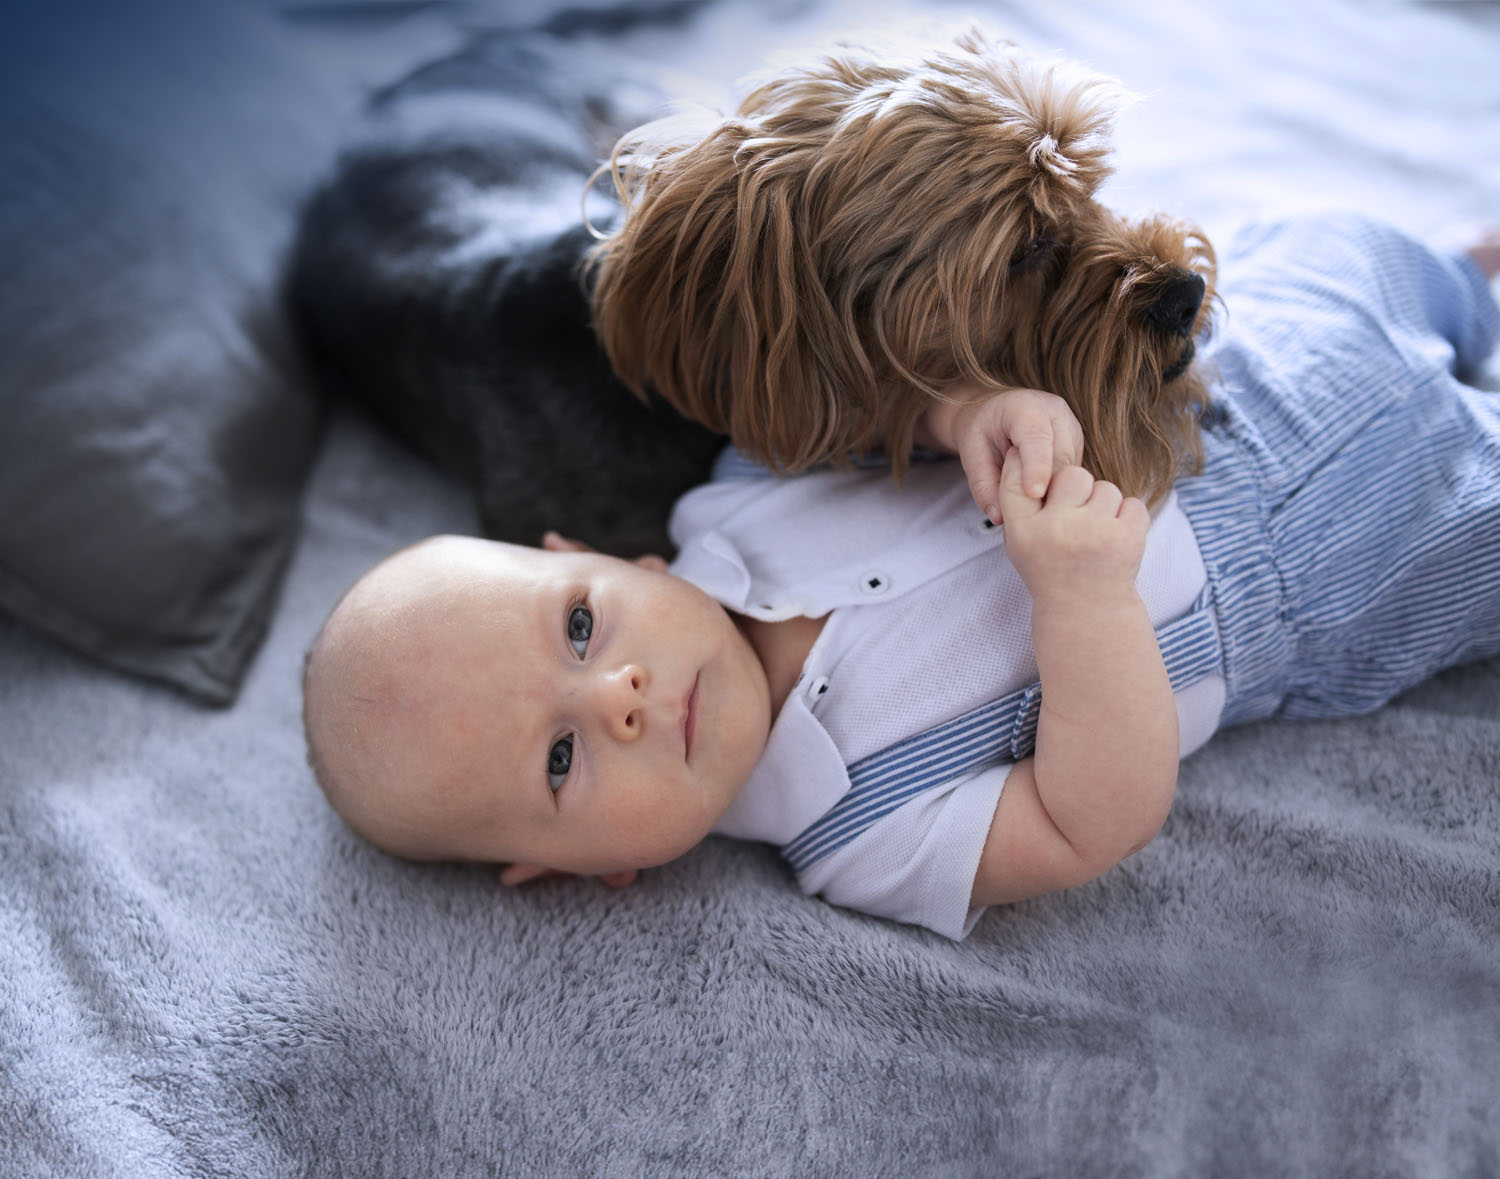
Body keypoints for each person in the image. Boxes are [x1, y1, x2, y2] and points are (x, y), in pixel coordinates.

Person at [303, 215, 1500, 939]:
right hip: (1324, 568)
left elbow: (878, 396)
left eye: (577, 629)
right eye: (561, 760)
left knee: (1371, 263)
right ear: (575, 872)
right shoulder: (855, 839)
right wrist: (1083, 605)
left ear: (598, 557)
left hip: (1208, 371)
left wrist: (964, 410)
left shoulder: (736, 483)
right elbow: (1093, 818)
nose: (614, 694)